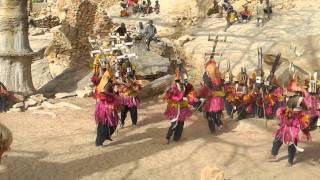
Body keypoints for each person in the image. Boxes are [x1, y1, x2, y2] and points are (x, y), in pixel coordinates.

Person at [270, 76, 312, 167]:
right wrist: (282, 112)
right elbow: (283, 107)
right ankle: (273, 154)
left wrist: (299, 113)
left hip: (294, 124)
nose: (290, 92)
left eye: (292, 90)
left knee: (292, 142)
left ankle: (290, 160)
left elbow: (307, 108)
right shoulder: (285, 97)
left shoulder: (300, 99)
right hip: (286, 122)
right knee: (278, 139)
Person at [164, 64, 197, 143]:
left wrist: (192, 98)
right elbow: (169, 96)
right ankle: (167, 137)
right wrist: (179, 98)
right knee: (174, 124)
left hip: (182, 107)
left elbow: (190, 92)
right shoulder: (174, 85)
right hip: (174, 107)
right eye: (183, 74)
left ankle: (176, 138)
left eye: (185, 74)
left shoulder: (187, 85)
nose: (185, 76)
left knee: (181, 124)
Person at [94, 68, 121, 146]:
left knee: (112, 123)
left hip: (109, 106)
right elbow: (104, 94)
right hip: (105, 107)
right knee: (104, 124)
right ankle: (99, 142)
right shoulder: (107, 84)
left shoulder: (111, 84)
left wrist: (116, 91)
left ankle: (104, 137)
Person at [198, 59, 225, 134]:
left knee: (209, 115)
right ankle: (218, 123)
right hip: (218, 99)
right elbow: (221, 87)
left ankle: (215, 127)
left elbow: (207, 88)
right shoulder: (218, 77)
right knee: (213, 114)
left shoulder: (207, 78)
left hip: (211, 99)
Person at [117, 58, 142, 128]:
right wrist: (124, 86)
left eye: (128, 67)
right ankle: (121, 122)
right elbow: (118, 88)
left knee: (133, 110)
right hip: (124, 97)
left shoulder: (133, 76)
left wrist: (134, 86)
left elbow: (137, 86)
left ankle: (134, 123)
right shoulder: (119, 77)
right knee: (123, 111)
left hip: (132, 97)